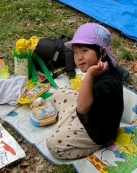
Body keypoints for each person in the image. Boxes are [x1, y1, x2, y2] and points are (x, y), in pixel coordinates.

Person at [46, 23, 123, 160]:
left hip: (97, 131)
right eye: (76, 52)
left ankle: (102, 144)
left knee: (53, 145)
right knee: (59, 93)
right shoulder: (102, 68)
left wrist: (90, 76)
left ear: (102, 53)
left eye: (85, 50)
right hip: (88, 114)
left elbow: (82, 108)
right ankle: (68, 125)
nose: (79, 57)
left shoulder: (105, 83)